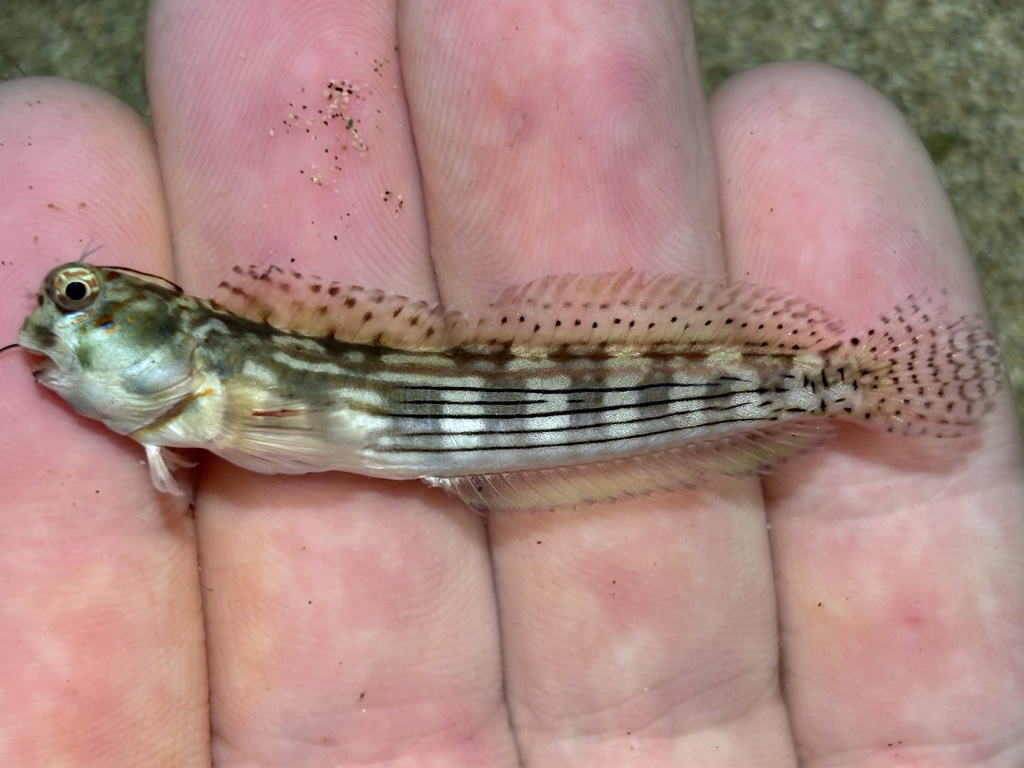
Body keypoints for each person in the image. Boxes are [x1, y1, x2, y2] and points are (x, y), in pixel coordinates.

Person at [0, 2, 1021, 765]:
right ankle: (826, 385)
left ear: (174, 334)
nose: (51, 326)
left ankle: (835, 382)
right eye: (66, 301)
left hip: (493, 406)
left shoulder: (224, 381)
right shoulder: (210, 397)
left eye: (78, 297)